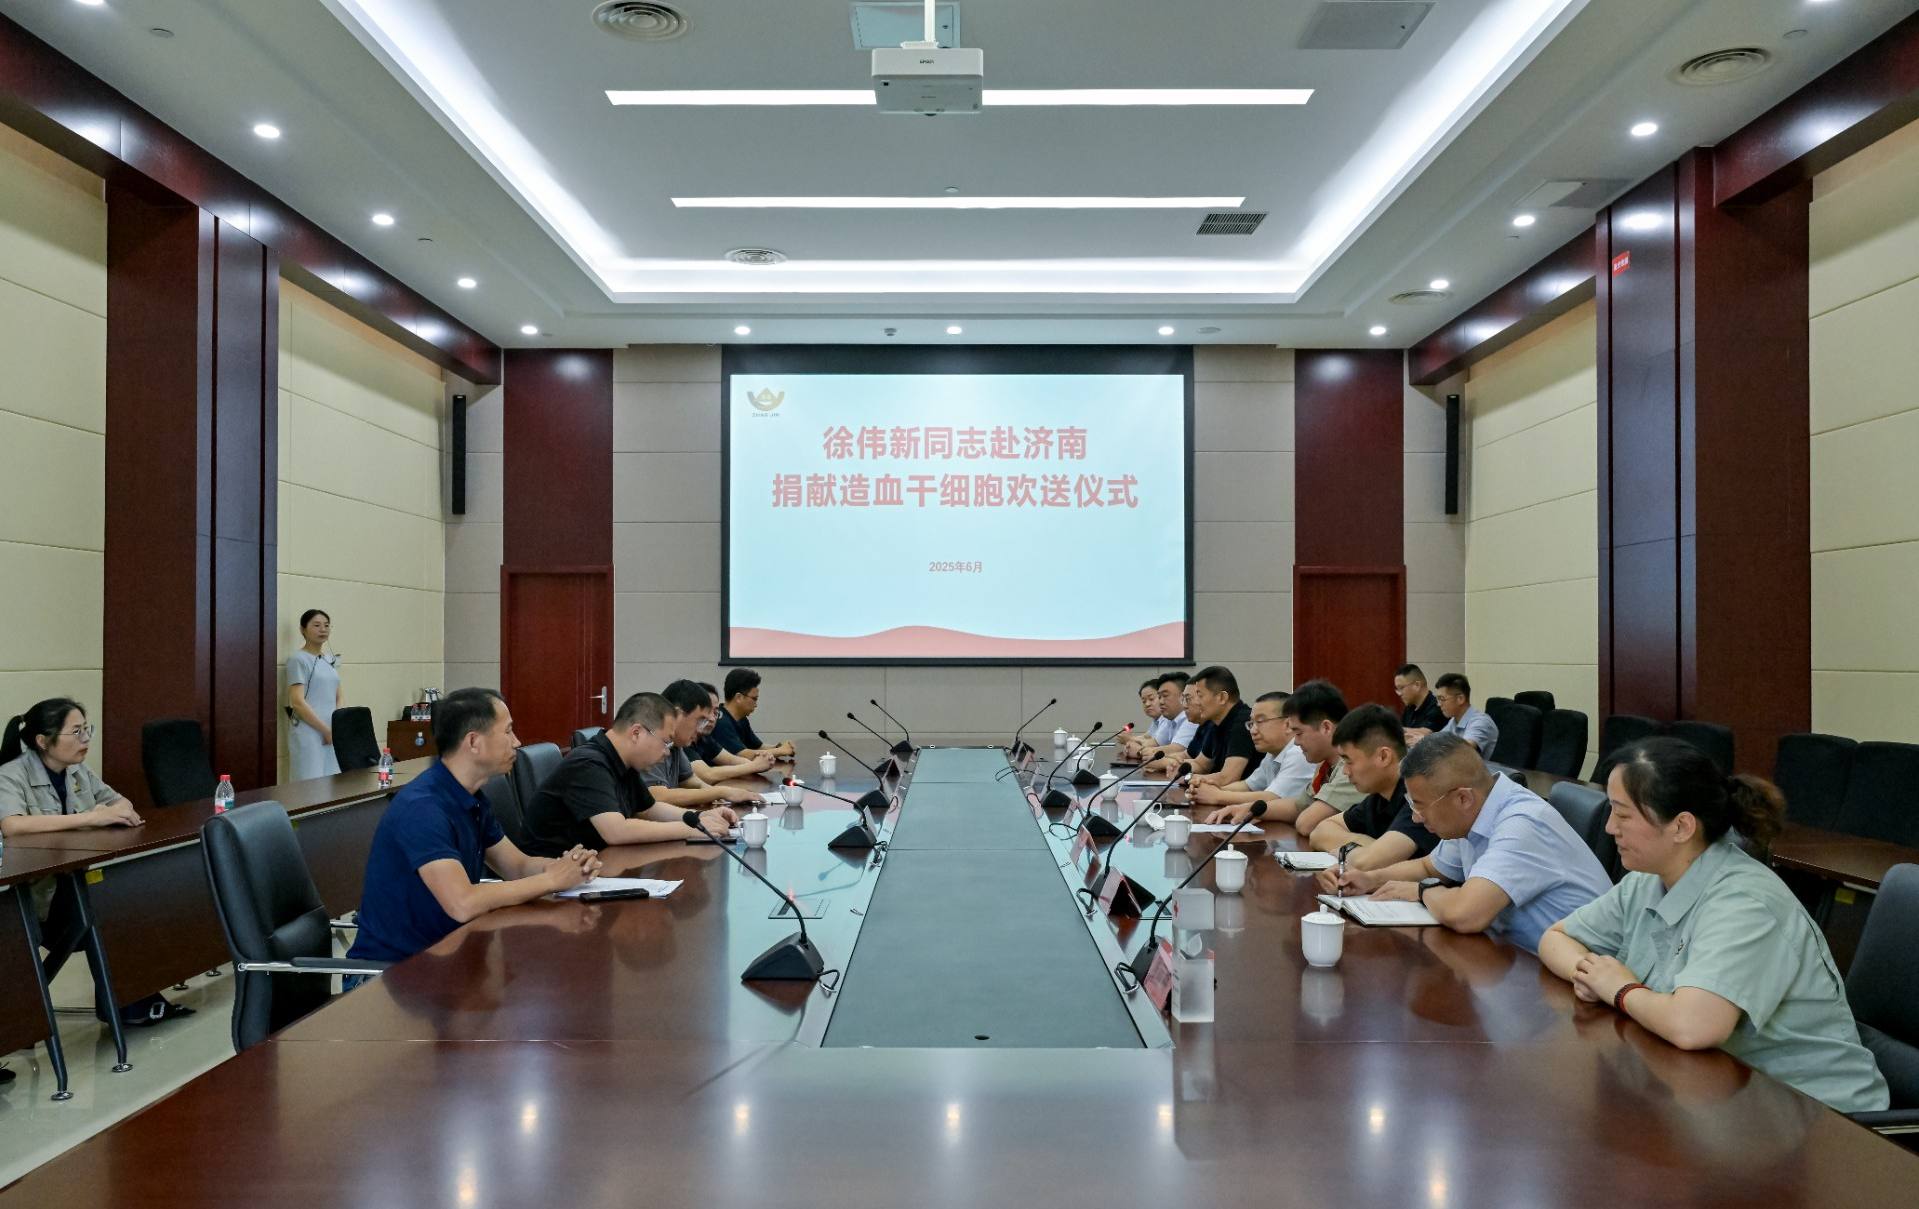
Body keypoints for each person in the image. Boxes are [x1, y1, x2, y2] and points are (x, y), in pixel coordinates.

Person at [1538, 738, 1888, 1113]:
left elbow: (1693, 1027)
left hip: (1819, 1115)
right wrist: (1589, 973)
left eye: (1623, 816)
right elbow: (1555, 938)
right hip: (1719, 1093)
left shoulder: (1744, 903)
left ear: (1681, 826)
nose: (1610, 827)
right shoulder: (1647, 880)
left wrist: (1619, 988)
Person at [346, 688, 601, 971]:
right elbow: (462, 903)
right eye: (508, 731)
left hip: (446, 957)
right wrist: (551, 880)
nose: (517, 742)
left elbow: (516, 866)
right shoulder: (423, 808)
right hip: (391, 973)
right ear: (473, 742)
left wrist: (566, 867)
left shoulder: (472, 798)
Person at [0, 699, 193, 1027]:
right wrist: (91, 818)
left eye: (86, 730)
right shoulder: (11, 774)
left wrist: (111, 813)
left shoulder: (77, 771)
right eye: (76, 732)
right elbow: (13, 825)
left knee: (127, 900)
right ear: (43, 741)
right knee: (107, 908)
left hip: (71, 884)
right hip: (33, 899)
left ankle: (130, 1004)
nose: (85, 739)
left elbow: (121, 803)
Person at [1327, 734, 1609, 952]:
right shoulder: (1473, 812)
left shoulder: (1522, 824)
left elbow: (1465, 914)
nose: (1415, 816)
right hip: (1519, 957)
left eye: (1420, 805)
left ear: (1463, 798)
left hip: (1579, 977)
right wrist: (1369, 879)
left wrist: (1424, 892)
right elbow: (1429, 868)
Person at [520, 691, 739, 855]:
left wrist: (698, 817)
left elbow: (649, 809)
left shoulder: (623, 761)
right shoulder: (589, 764)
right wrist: (691, 829)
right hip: (551, 877)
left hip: (593, 866)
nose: (666, 752)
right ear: (636, 733)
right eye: (665, 742)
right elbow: (617, 831)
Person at [1202, 680, 1365, 828]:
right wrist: (1247, 809)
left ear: (1326, 728)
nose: (1296, 742)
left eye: (1299, 733)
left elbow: (1306, 823)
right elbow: (1298, 806)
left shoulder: (1351, 766)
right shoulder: (1324, 764)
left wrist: (1219, 796)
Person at [1305, 704, 1440, 877]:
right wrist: (1366, 845)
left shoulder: (1419, 796)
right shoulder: (1380, 797)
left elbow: (1367, 864)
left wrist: (1360, 853)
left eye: (1349, 761)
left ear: (1383, 756)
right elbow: (1319, 832)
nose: (1345, 771)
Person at [642, 680, 765, 809]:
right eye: (700, 720)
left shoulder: (676, 744)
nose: (701, 728)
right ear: (677, 715)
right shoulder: (651, 741)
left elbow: (689, 780)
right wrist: (721, 792)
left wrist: (719, 795)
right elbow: (657, 796)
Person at [1187, 691, 1310, 814]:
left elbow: (1273, 798)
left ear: (1288, 724)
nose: (1253, 731)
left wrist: (1218, 795)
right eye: (1251, 723)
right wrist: (1214, 788)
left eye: (1260, 721)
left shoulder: (1299, 752)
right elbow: (1248, 786)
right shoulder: (1273, 753)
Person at [286, 608, 343, 779]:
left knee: (333, 780)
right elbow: (297, 701)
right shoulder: (298, 659)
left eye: (326, 625)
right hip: (309, 730)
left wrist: (336, 726)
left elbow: (339, 695)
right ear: (303, 630)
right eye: (316, 625)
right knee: (310, 782)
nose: (323, 629)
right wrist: (325, 730)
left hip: (332, 730)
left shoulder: (329, 660)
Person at [1180, 666, 1259, 786]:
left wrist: (1188, 777)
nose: (1197, 702)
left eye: (1200, 696)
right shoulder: (1215, 723)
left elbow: (1227, 778)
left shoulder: (1243, 723)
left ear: (1222, 697)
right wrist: (1178, 768)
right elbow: (1202, 764)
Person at [687, 681, 773, 784]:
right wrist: (754, 766)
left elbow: (733, 760)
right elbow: (707, 775)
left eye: (715, 712)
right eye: (707, 711)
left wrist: (761, 762)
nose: (712, 718)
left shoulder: (704, 737)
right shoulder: (682, 742)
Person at [712, 669, 794, 761]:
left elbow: (758, 747)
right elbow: (743, 754)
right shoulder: (720, 722)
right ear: (739, 697)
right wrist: (781, 751)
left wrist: (778, 747)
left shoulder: (741, 719)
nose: (756, 705)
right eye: (754, 699)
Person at [1430, 672, 1498, 753]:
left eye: (1442, 699)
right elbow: (1436, 741)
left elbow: (1464, 750)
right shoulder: (1454, 721)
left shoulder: (1481, 722)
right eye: (1438, 699)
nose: (1439, 704)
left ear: (1460, 699)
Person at [1395, 663, 1446, 738]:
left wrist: (1392, 729)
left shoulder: (1437, 707)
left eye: (1401, 688)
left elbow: (1427, 733)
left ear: (1417, 685)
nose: (1399, 693)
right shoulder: (1409, 708)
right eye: (1397, 689)